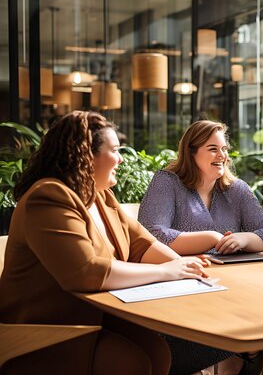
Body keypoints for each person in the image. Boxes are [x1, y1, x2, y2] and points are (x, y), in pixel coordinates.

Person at [0, 111, 210, 375]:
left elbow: (141, 244)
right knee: (131, 362)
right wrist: (166, 272)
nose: (121, 159)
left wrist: (184, 266)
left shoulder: (101, 197)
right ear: (86, 156)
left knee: (157, 351)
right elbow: (85, 272)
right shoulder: (48, 196)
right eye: (115, 150)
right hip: (46, 328)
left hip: (96, 314)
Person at [138, 120, 263, 375]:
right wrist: (213, 237)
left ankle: (247, 354)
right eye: (212, 148)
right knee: (259, 331)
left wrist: (245, 239)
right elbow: (151, 235)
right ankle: (247, 353)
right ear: (191, 152)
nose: (222, 156)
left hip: (235, 287)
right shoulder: (167, 182)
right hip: (184, 291)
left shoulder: (236, 189)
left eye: (224, 149)